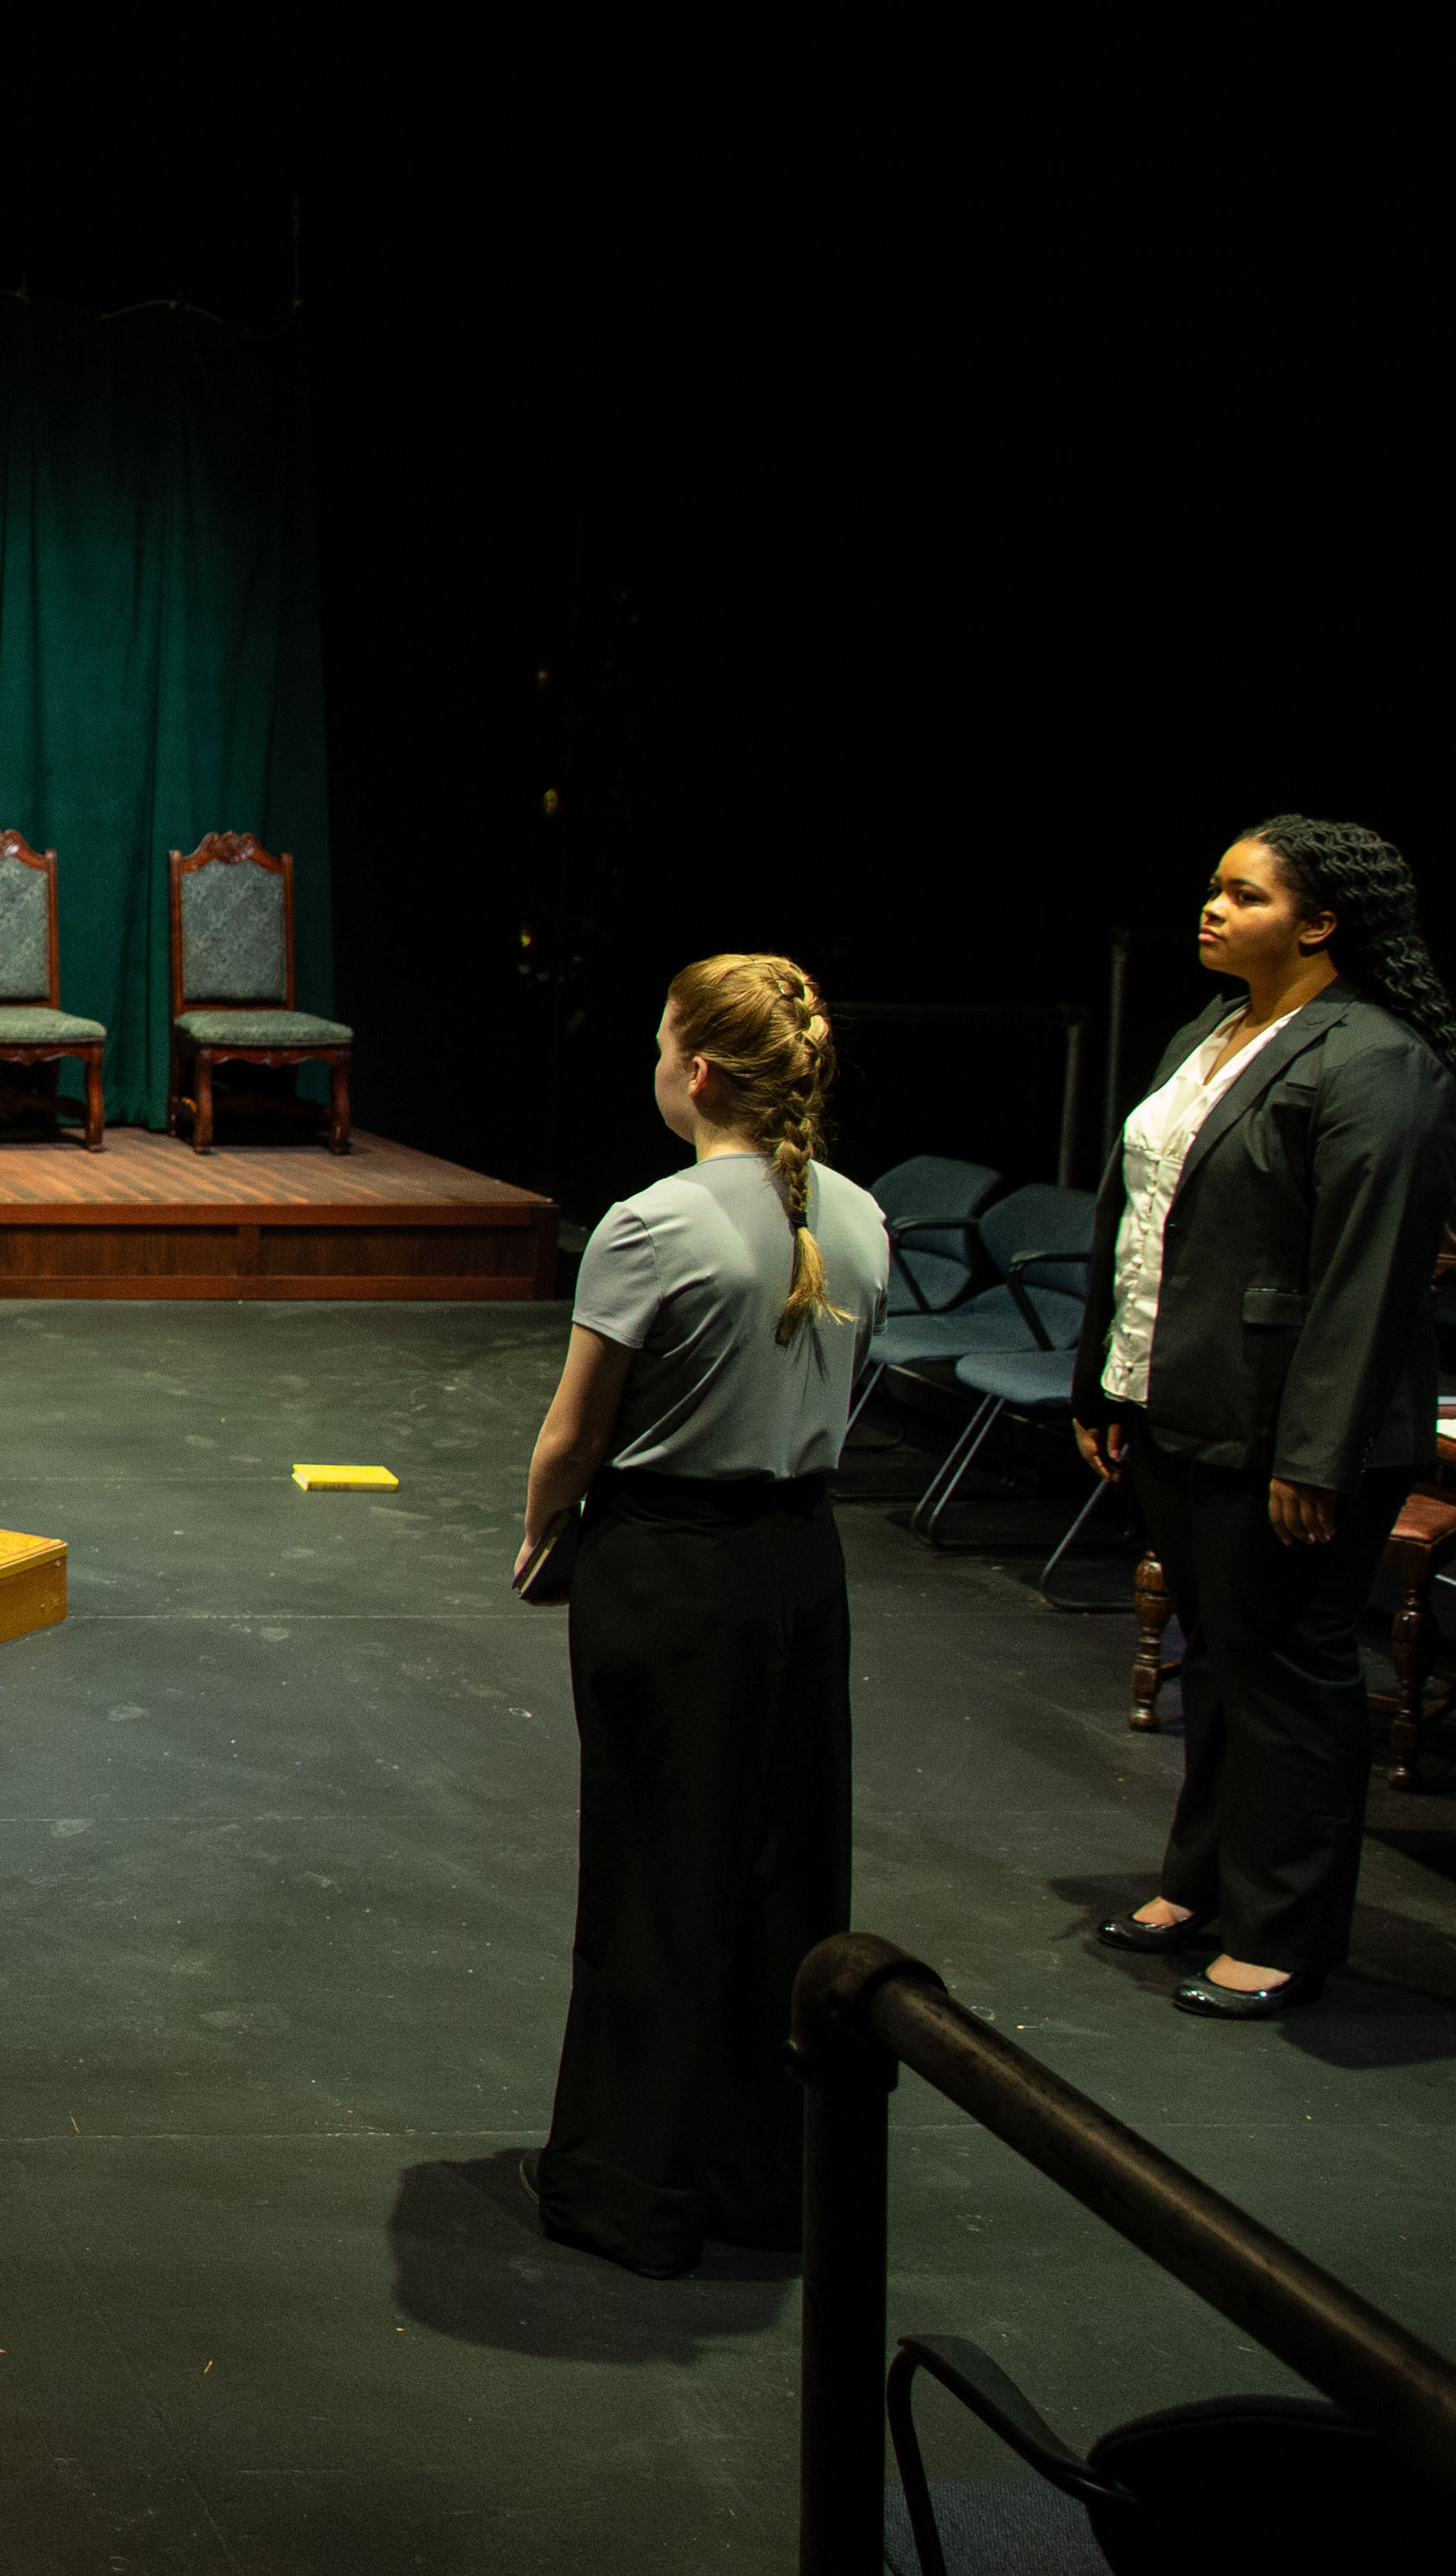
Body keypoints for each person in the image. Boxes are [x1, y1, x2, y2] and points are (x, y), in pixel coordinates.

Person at [518, 953, 890, 2277]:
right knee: (788, 1872)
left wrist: (544, 1530)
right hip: (803, 1567)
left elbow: (576, 1433)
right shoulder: (861, 1215)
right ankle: (763, 2175)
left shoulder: (653, 1224)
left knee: (655, 1872)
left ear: (700, 1072)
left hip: (672, 1570)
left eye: (659, 1045)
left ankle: (633, 2183)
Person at [1074, 816, 1456, 2021]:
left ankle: (1285, 1933)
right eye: (1214, 888)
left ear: (1320, 922)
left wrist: (1318, 1455)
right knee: (1220, 1658)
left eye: (1245, 895)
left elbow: (1368, 1278)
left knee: (1290, 1677)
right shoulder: (1211, 1030)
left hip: (1288, 1432)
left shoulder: (1377, 1060)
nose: (1212, 908)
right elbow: (1141, 1219)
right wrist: (1106, 1378)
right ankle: (1204, 1883)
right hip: (1179, 1400)